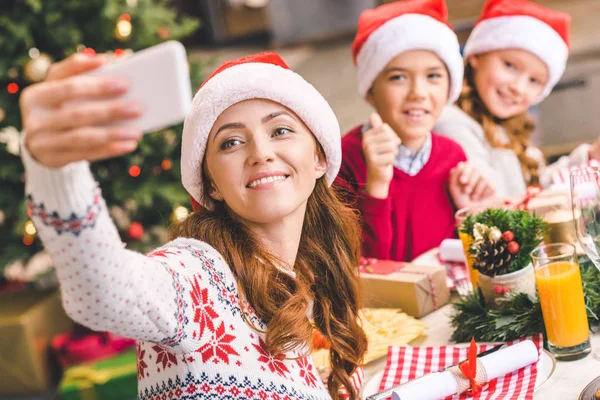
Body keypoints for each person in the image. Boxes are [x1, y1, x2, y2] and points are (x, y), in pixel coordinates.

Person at [21, 51, 367, 399]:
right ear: (211, 184)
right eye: (231, 142)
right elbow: (103, 293)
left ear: (320, 156)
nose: (260, 152)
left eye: (280, 130)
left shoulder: (304, 275)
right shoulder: (197, 279)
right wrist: (55, 172)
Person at [335, 0, 496, 262]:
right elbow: (361, 271)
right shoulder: (344, 160)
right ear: (370, 90)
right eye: (398, 77)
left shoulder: (452, 155)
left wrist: (472, 212)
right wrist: (376, 185)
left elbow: (462, 262)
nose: (418, 93)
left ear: (449, 88)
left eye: (433, 76)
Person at [435, 0, 597, 197]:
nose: (518, 88)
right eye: (510, 65)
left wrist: (589, 157)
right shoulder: (451, 123)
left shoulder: (507, 127)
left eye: (534, 81)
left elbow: (534, 187)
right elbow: (500, 205)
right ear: (476, 55)